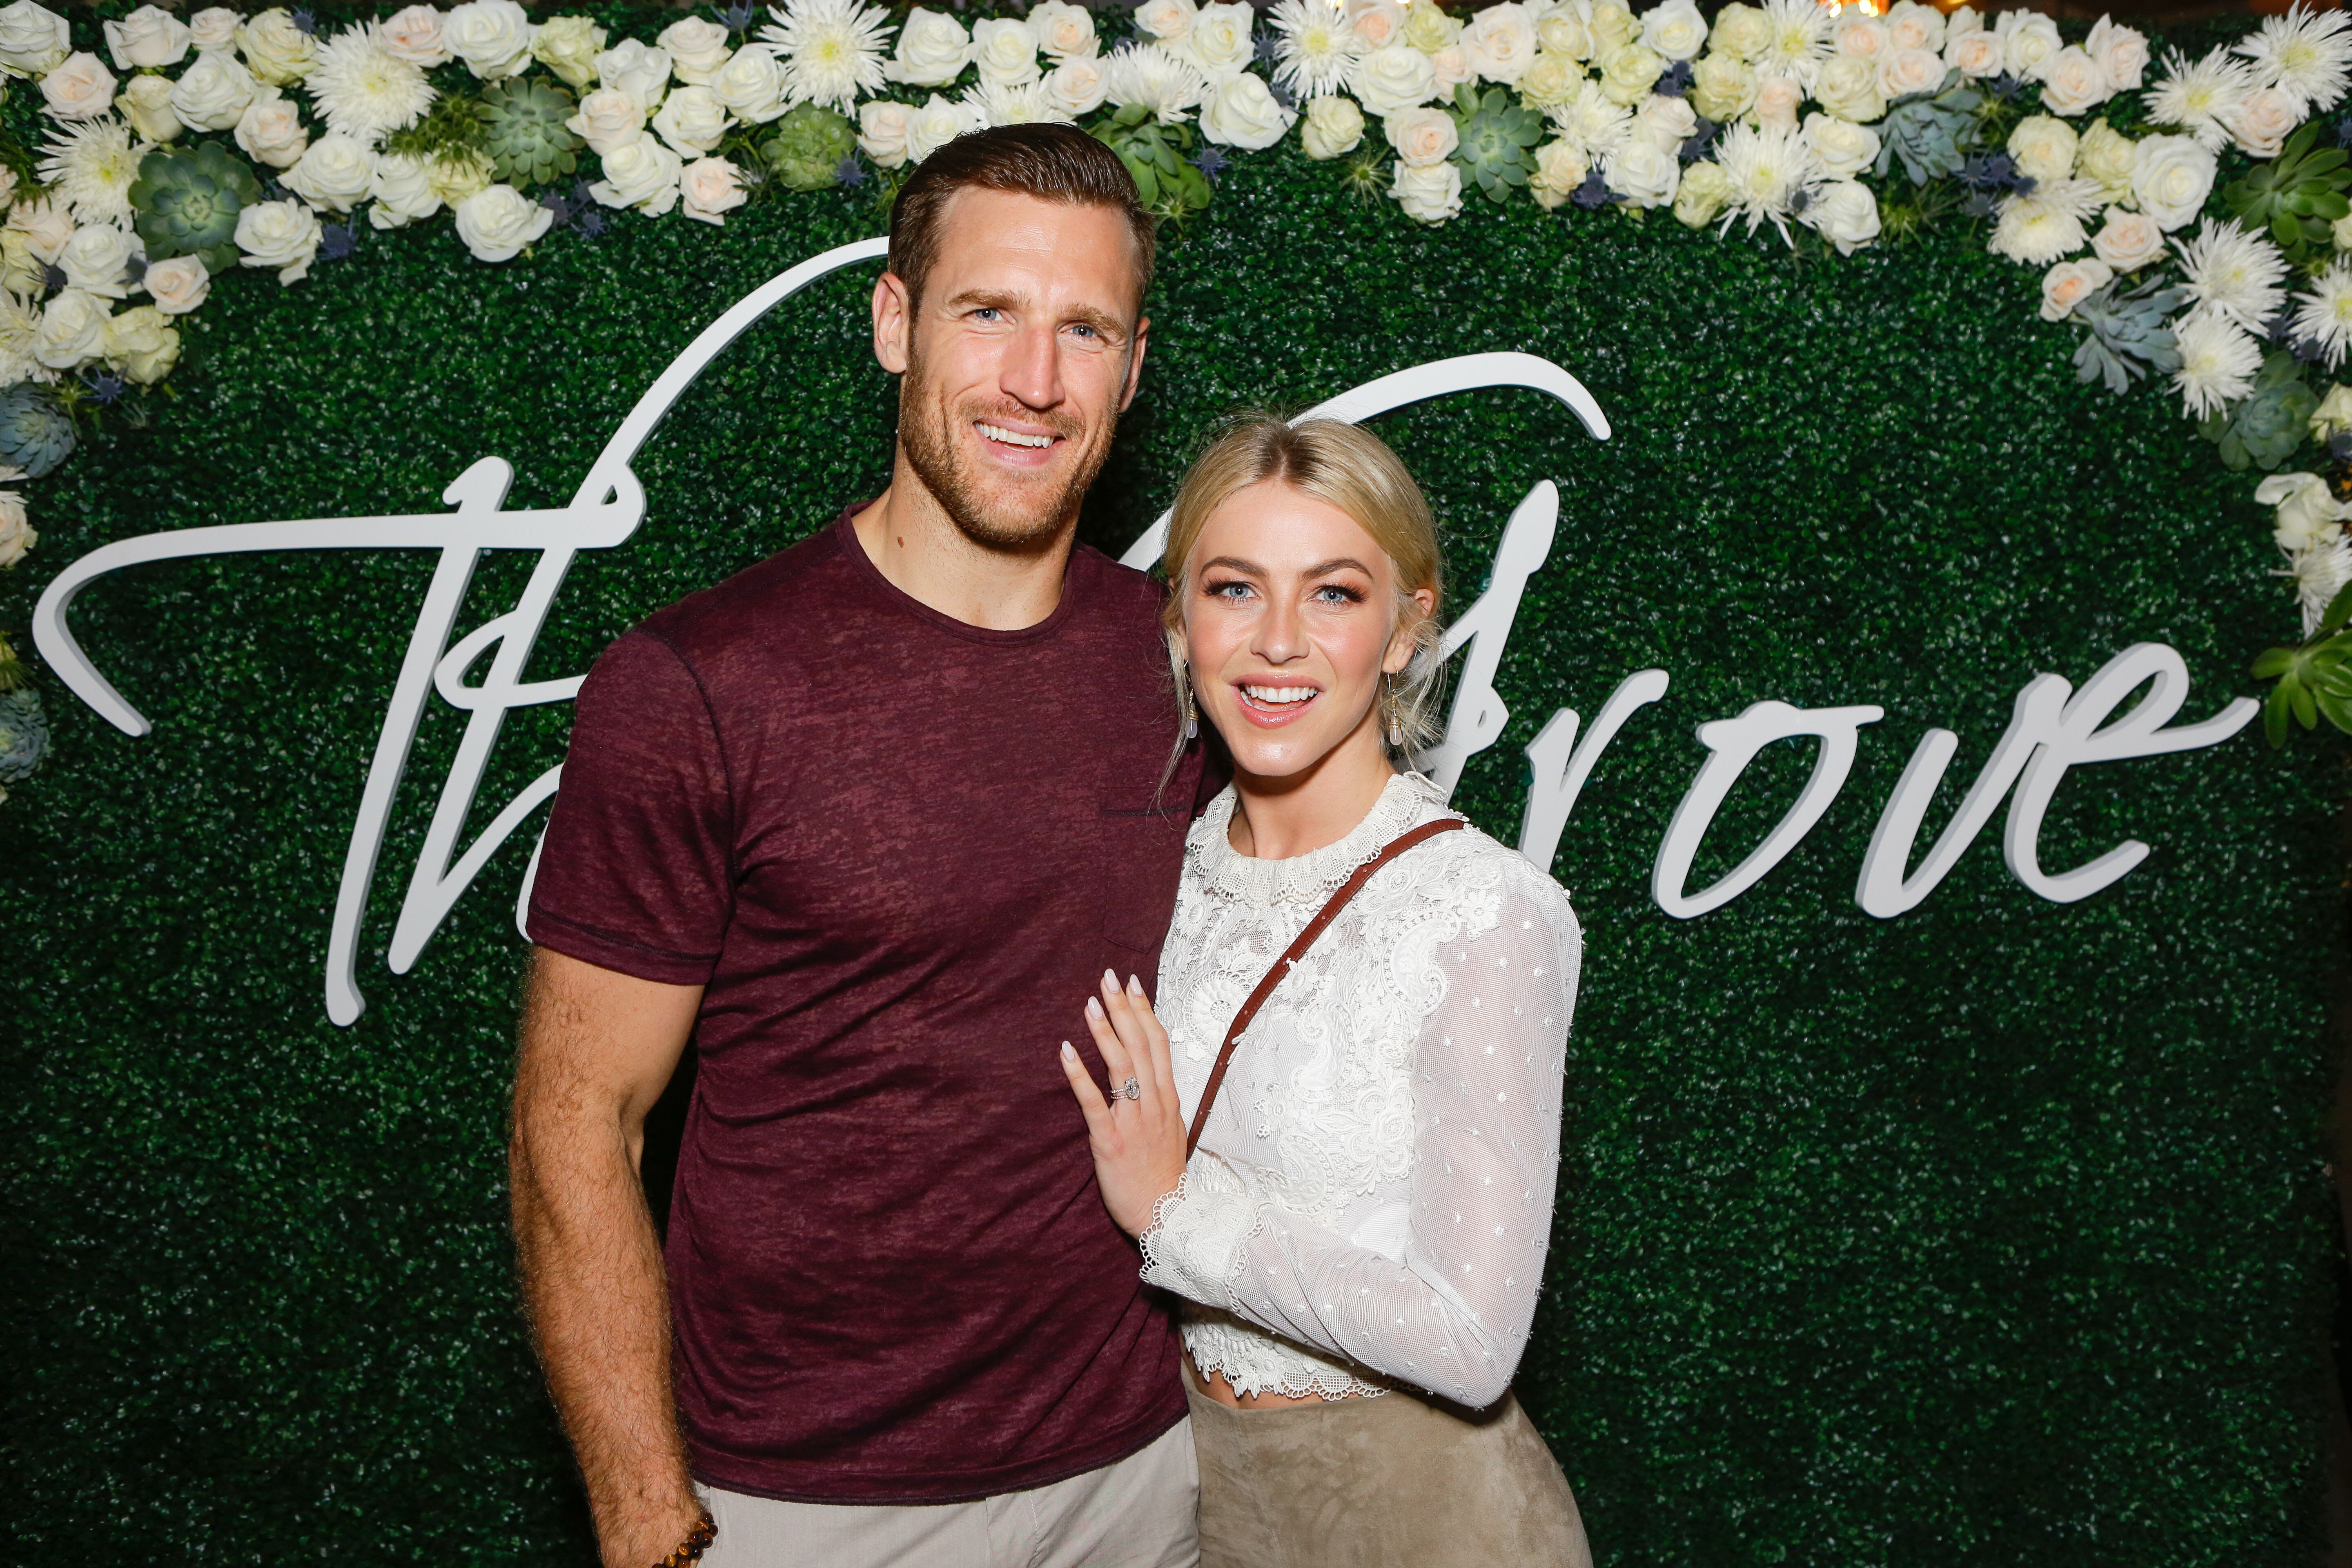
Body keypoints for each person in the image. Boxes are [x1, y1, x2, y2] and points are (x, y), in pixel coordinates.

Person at [509, 125, 1212, 1568]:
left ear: (1133, 369)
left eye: (1083, 330)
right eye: (987, 312)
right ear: (896, 323)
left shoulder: (1190, 668)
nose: (1035, 379)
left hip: (1146, 1472)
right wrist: (649, 1519)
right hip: (803, 1502)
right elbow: (576, 1125)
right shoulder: (700, 680)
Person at [1057, 416, 1591, 1568]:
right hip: (1198, 1496)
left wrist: (1172, 1213)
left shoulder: (1481, 913)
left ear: (1408, 627)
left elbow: (1471, 1337)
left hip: (1426, 1511)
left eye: (1336, 595)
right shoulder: (1167, 873)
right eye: (1236, 589)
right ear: (1178, 618)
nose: (1279, 643)